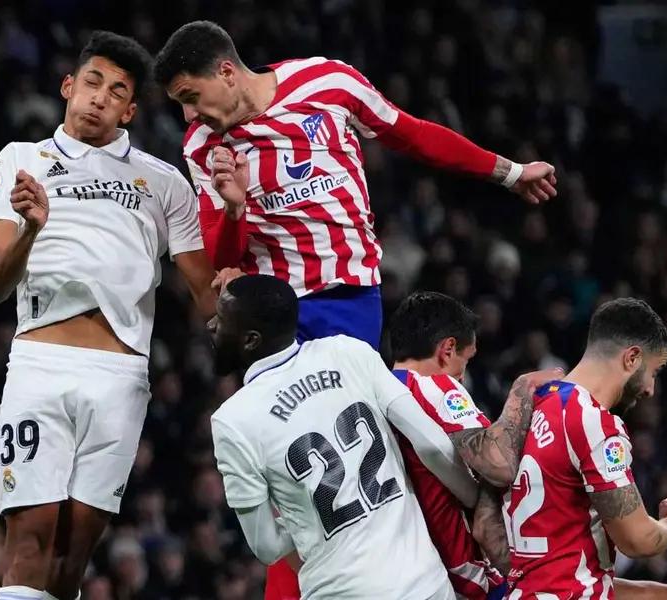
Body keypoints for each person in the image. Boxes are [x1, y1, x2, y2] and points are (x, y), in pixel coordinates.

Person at [153, 21, 559, 595]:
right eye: (179, 106)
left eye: (190, 97)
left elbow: (412, 133)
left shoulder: (329, 83)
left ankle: (476, 560)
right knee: (300, 481)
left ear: (225, 70)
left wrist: (508, 171)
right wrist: (235, 206)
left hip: (350, 307)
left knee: (380, 458)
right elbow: (224, 265)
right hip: (279, 321)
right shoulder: (204, 147)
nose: (190, 116)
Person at [0, 32, 216, 600]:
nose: (100, 97)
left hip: (121, 379)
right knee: (29, 537)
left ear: (130, 110)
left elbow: (206, 293)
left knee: (74, 551)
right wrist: (33, 227)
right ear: (69, 87)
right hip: (40, 364)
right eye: (93, 82)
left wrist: (234, 210)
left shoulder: (164, 182)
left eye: (118, 90)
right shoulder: (21, 159)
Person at [207, 274, 478, 599]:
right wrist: (476, 501)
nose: (211, 325)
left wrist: (306, 520)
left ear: (251, 339)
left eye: (221, 319)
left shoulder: (232, 421)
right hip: (423, 586)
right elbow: (431, 445)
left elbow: (266, 547)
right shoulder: (348, 350)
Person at [505, 298, 667, 599]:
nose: (650, 389)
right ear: (631, 358)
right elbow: (637, 541)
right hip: (566, 594)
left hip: (528, 587)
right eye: (654, 372)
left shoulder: (539, 401)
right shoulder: (595, 422)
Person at [387, 292, 559, 600]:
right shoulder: (432, 386)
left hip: (405, 566)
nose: (462, 375)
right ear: (447, 349)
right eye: (465, 361)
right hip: (465, 575)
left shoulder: (376, 393)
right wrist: (521, 391)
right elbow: (500, 466)